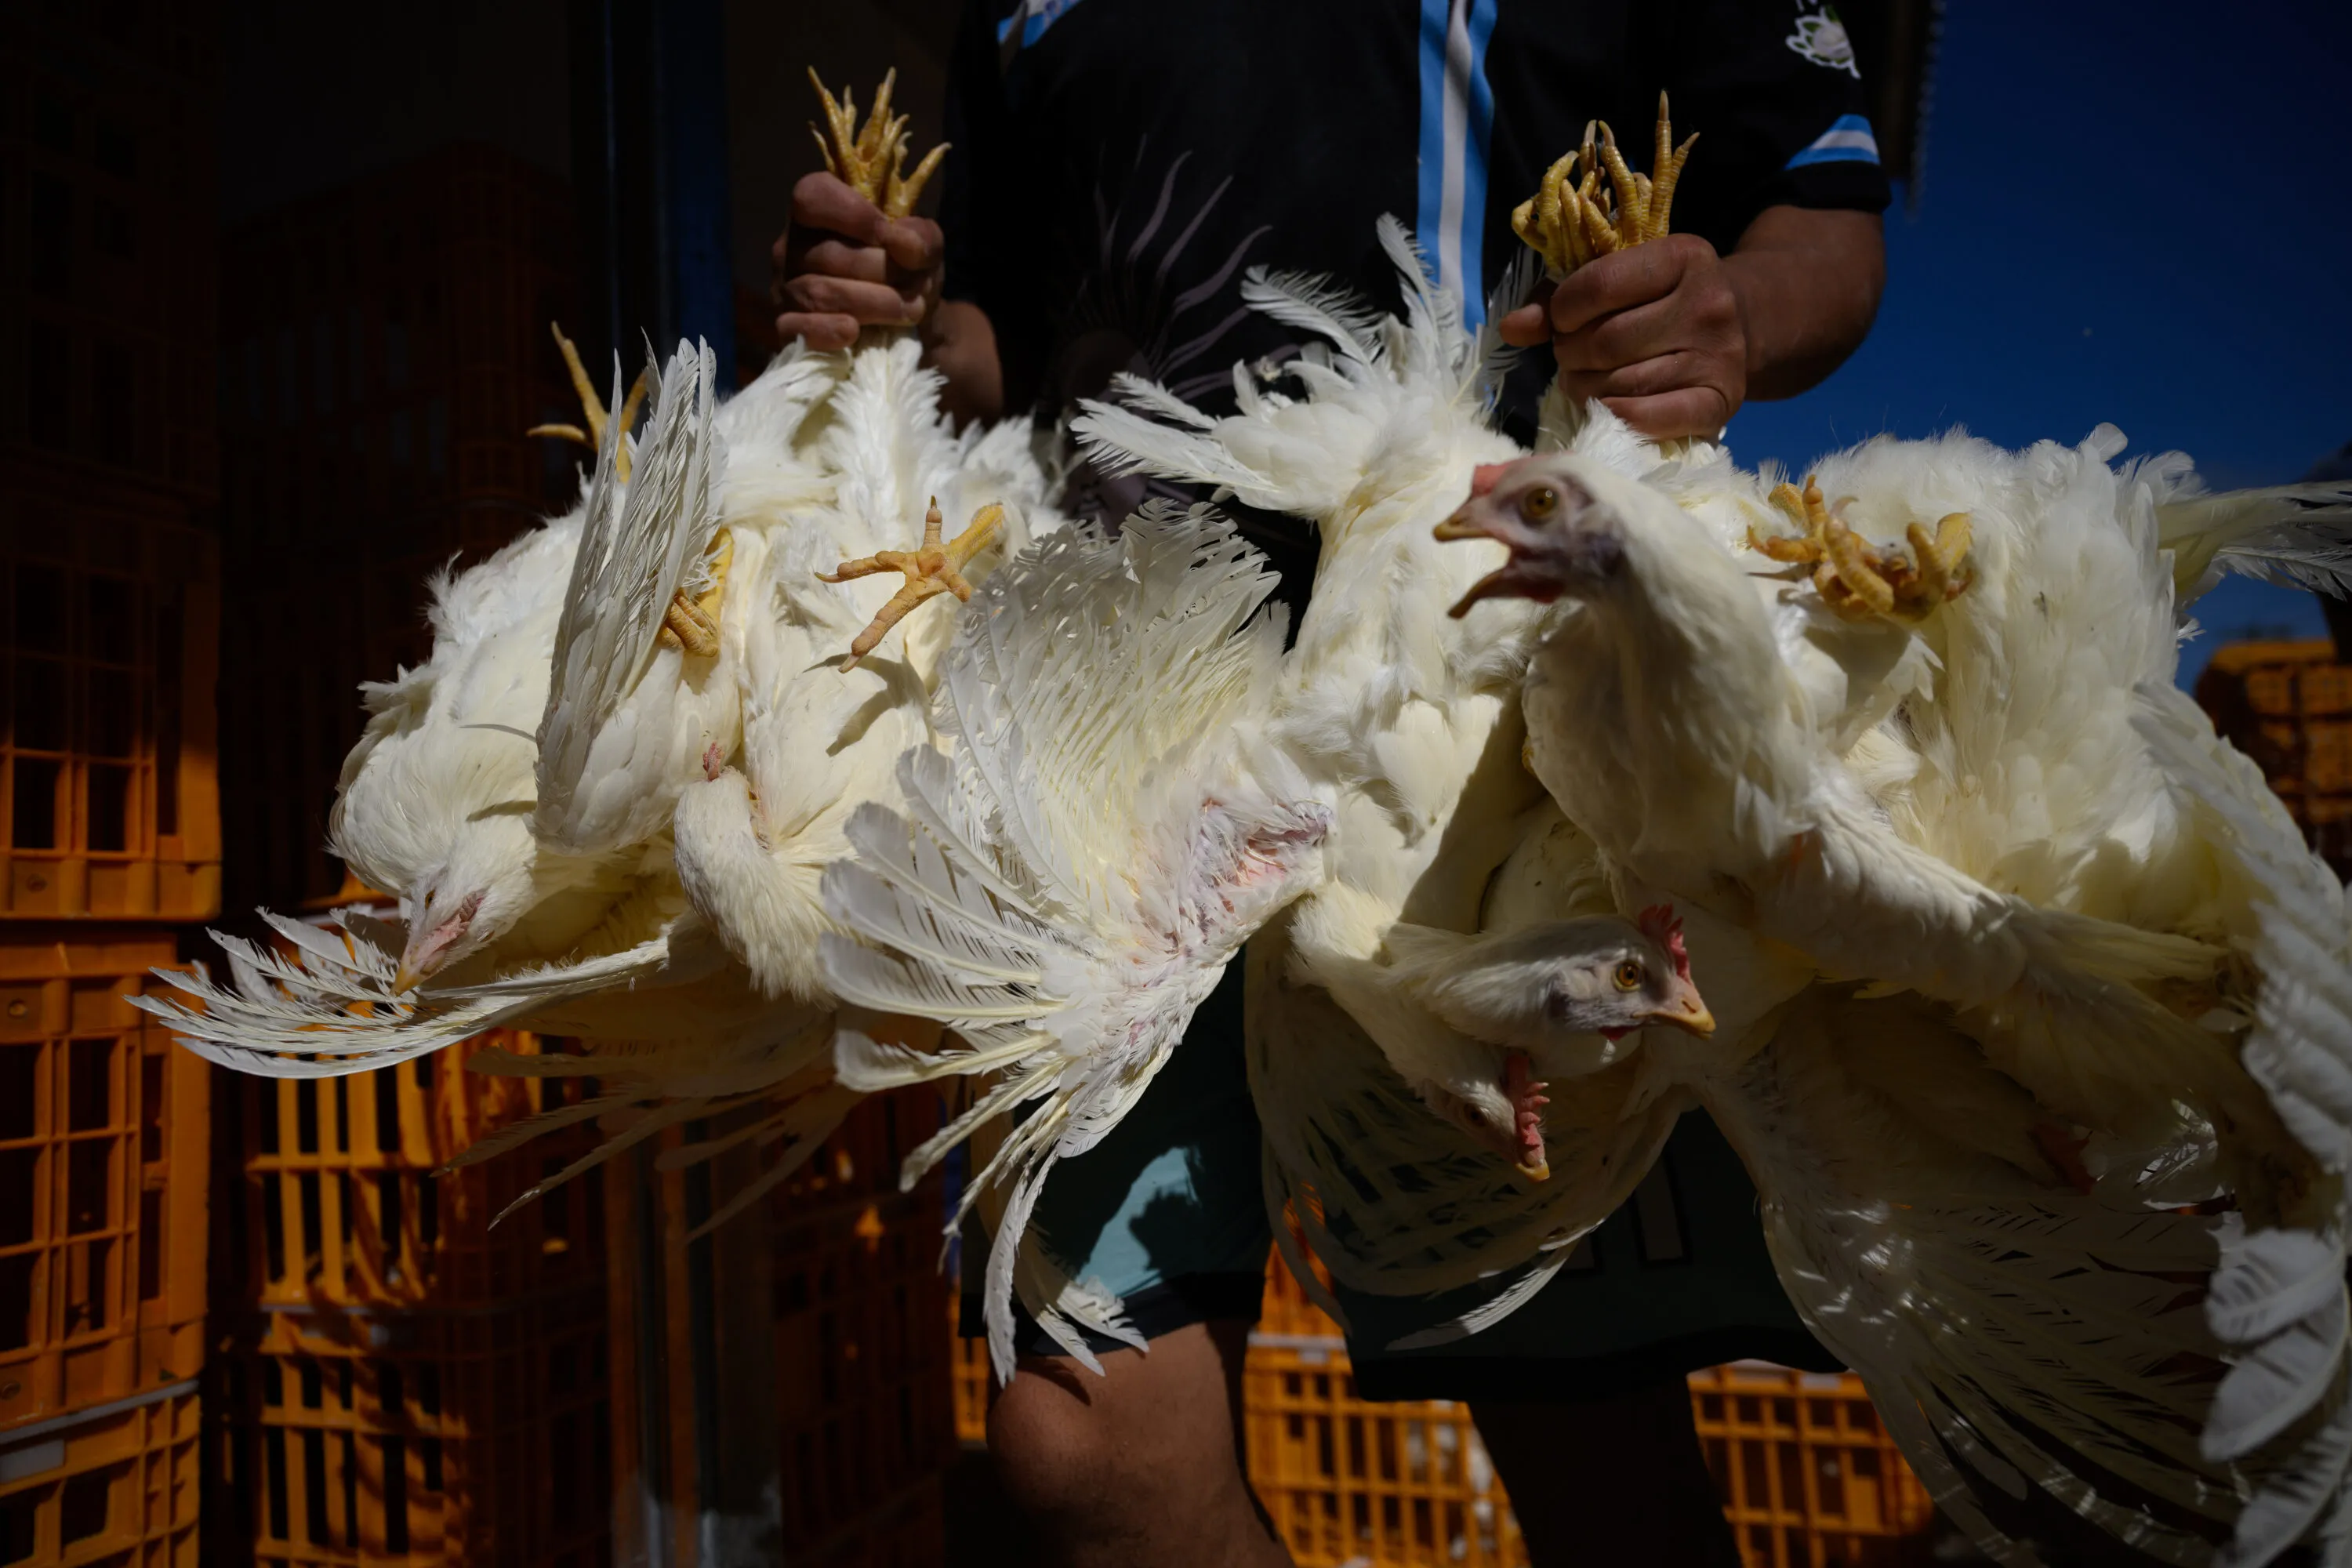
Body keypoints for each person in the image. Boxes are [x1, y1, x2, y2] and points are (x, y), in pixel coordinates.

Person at [775, 4, 1889, 1564]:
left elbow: (1825, 213)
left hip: (1477, 714)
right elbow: (1004, 342)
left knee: (1586, 1436)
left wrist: (1728, 315)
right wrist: (895, 321)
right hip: (1116, 716)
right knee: (1081, 1455)